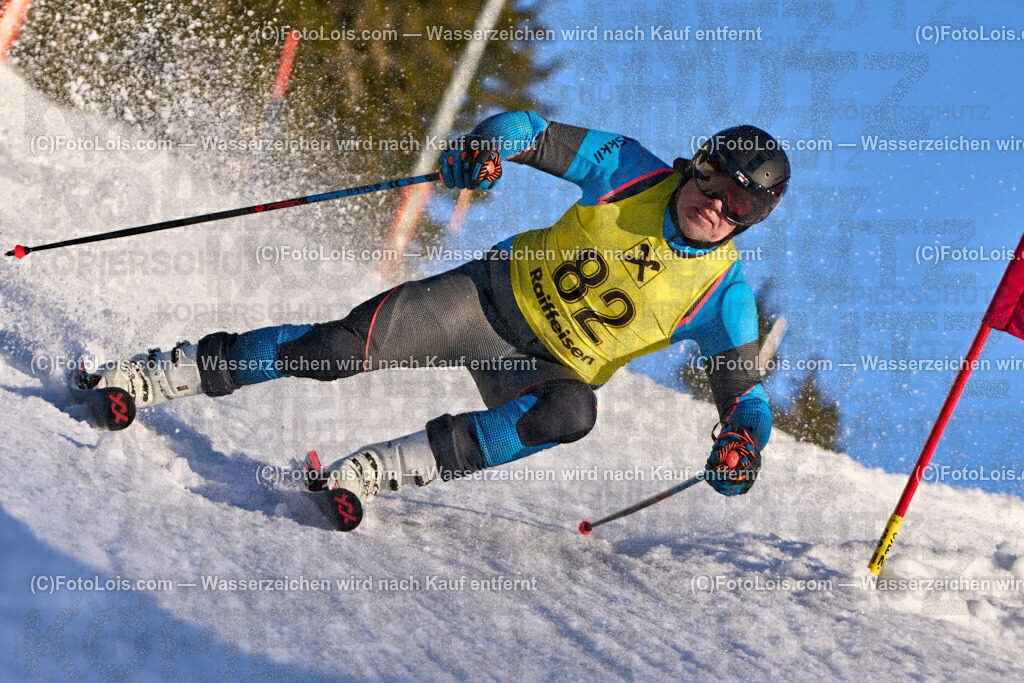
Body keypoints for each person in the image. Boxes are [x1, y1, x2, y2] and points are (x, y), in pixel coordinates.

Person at [74, 111, 790, 529]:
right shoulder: (629, 168)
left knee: (575, 410)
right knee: (333, 350)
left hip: (538, 370)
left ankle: (373, 472)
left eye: (741, 204)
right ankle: (156, 374)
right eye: (712, 177)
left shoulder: (724, 300)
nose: (717, 202)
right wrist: (481, 147)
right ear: (693, 164)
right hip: (483, 301)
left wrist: (740, 448)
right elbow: (528, 131)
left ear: (755, 219)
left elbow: (747, 403)